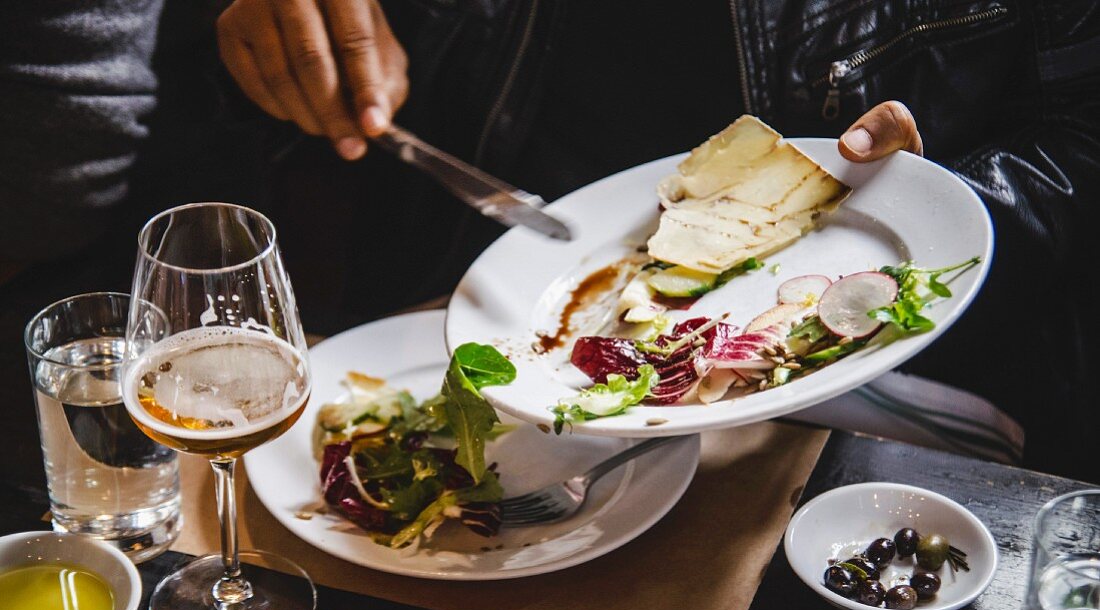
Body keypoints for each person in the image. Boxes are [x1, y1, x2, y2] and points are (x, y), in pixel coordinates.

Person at [212, 0, 1099, 482]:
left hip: (892, 403)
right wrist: (300, 45)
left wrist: (941, 203)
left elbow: (1079, 132)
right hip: (496, 326)